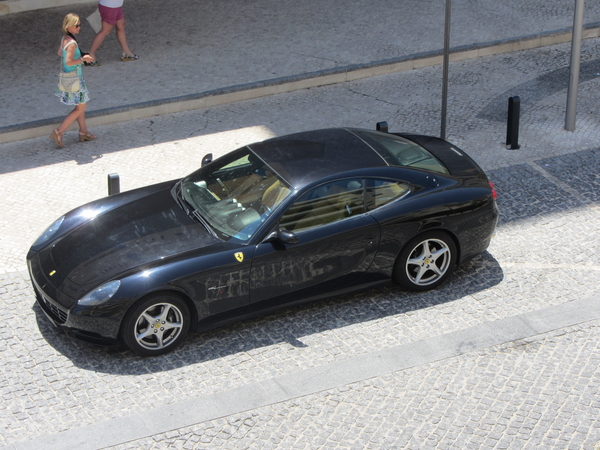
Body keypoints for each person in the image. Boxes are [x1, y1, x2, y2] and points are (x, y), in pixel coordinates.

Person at [50, 13, 96, 147]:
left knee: (79, 106)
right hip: (75, 78)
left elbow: (60, 53)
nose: (79, 27)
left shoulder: (65, 38)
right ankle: (59, 131)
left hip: (68, 78)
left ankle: (83, 132)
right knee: (81, 106)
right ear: (69, 26)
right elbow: (69, 61)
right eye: (77, 25)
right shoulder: (72, 43)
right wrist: (82, 59)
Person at [87, 0, 138, 66]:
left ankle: (126, 52)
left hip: (116, 5)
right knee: (105, 30)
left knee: (120, 26)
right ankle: (90, 55)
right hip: (109, 5)